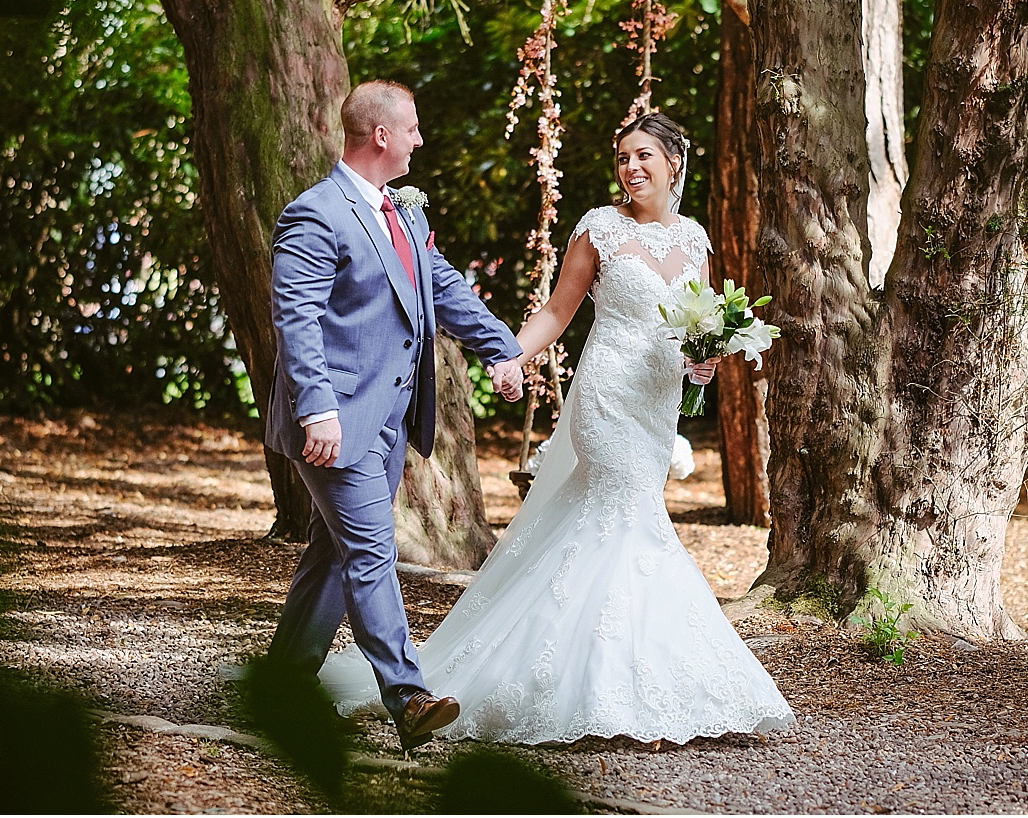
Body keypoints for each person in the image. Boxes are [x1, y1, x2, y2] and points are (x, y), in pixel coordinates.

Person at [318, 112, 795, 745]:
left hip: (656, 402)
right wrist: (512, 355)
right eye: (623, 157)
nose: (631, 169)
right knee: (628, 521)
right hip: (605, 397)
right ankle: (614, 693)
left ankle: (614, 676)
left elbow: (696, 324)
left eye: (644, 156)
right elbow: (557, 311)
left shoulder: (695, 239)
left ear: (673, 163)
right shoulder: (599, 229)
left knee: (614, 522)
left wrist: (703, 360)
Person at [265, 79, 525, 751]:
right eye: (410, 128)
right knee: (372, 551)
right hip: (333, 423)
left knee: (333, 553)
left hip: (386, 420)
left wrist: (501, 347)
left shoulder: (401, 212)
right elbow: (297, 319)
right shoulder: (314, 214)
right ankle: (406, 697)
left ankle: (281, 688)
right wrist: (317, 409)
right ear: (380, 135)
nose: (418, 139)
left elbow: (439, 285)